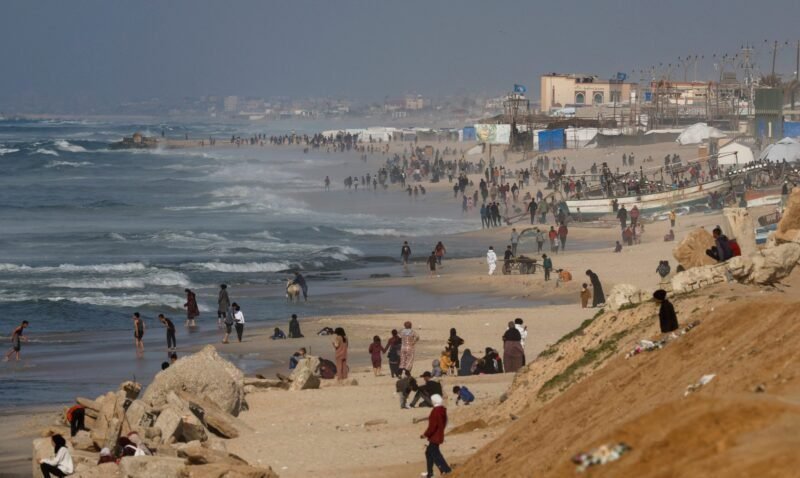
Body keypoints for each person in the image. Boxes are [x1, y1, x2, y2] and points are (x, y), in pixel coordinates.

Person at [420, 394, 452, 478]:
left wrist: (425, 434)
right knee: (429, 452)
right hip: (438, 434)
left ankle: (446, 470)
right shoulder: (442, 410)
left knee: (435, 453)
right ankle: (430, 473)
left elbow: (433, 426)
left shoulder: (436, 411)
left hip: (435, 436)